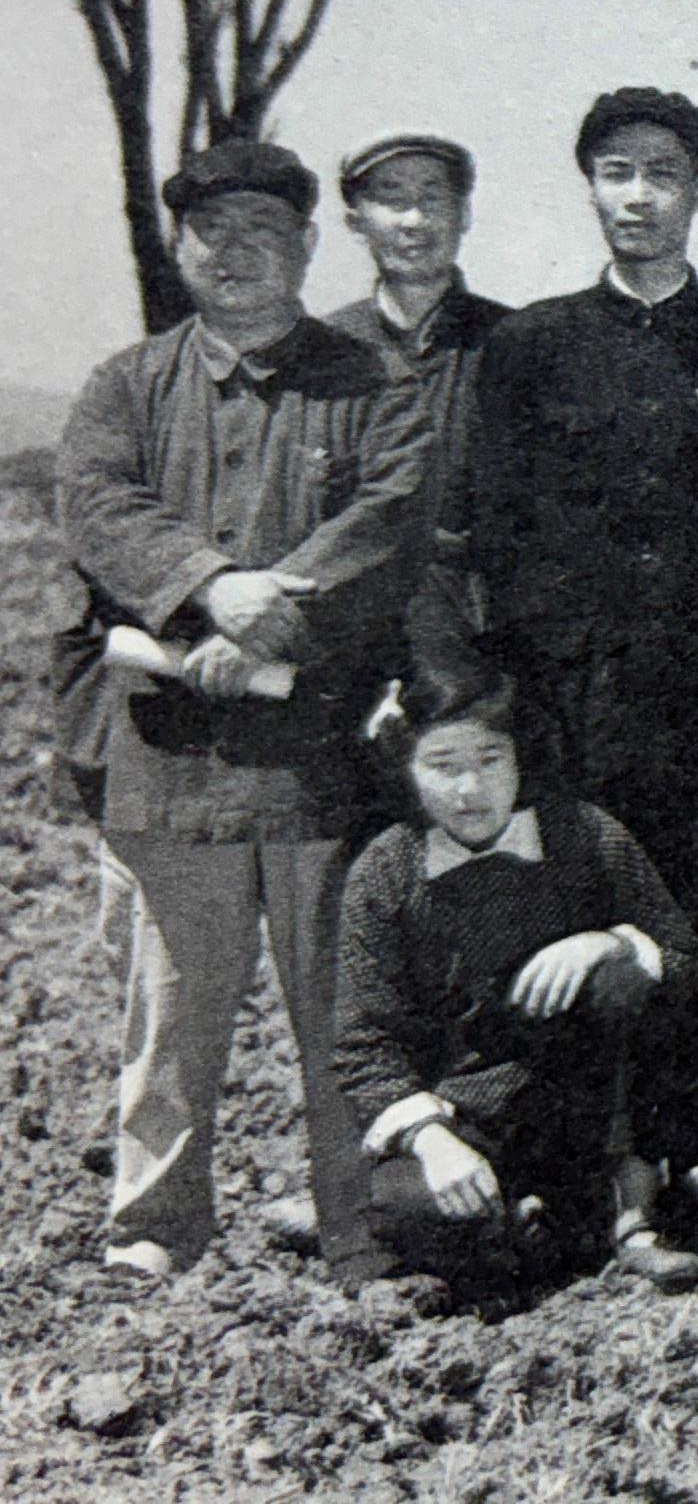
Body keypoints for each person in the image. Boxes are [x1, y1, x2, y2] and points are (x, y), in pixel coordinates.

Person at [57, 140, 435, 1280]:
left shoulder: (372, 386)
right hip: (169, 755)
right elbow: (97, 505)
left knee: (341, 1010)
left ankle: (363, 1230)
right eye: (211, 233)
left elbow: (385, 523)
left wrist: (261, 622)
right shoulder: (126, 384)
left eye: (263, 232)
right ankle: (152, 1229)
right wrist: (207, 585)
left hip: (317, 758)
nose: (235, 254)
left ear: (307, 249)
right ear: (179, 249)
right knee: (172, 1016)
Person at [460, 89, 698, 956]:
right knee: (569, 932)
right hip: (567, 706)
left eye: (663, 175)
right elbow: (491, 527)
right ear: (591, 189)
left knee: (695, 929)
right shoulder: (530, 345)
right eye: (616, 173)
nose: (638, 196)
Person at [334, 678, 698, 1292]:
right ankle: (536, 1232)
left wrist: (608, 943)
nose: (470, 789)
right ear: (407, 769)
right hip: (470, 1115)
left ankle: (634, 1220)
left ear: (520, 758)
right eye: (442, 766)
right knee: (406, 1207)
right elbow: (362, 1039)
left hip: (587, 1106)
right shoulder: (386, 871)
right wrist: (432, 1141)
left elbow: (685, 958)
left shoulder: (584, 835)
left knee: (624, 978)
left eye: (489, 761)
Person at [327, 132, 512, 687]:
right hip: (343, 644)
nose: (414, 220)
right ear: (356, 220)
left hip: (475, 645)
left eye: (434, 197)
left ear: (464, 214)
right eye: (390, 198)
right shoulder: (322, 350)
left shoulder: (515, 343)